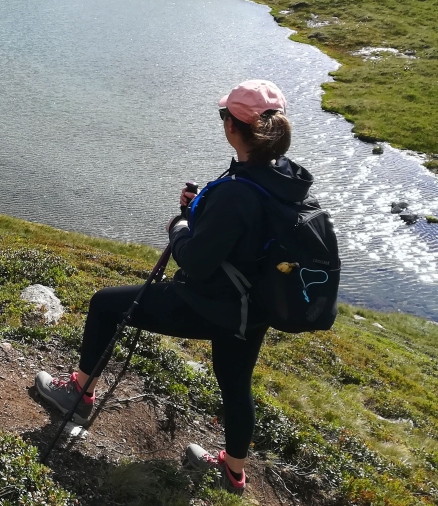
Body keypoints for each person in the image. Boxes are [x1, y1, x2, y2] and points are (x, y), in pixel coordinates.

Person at [35, 79, 311, 493]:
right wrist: (200, 209)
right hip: (253, 310)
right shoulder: (285, 181)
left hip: (209, 303)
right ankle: (232, 474)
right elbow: (243, 240)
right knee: (236, 384)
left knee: (105, 304)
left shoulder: (238, 191)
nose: (222, 122)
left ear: (234, 127)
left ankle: (77, 393)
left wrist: (179, 226)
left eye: (224, 116)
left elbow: (197, 261)